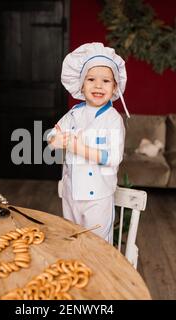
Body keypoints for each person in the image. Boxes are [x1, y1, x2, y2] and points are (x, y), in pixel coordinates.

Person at [47, 42, 130, 244]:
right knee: (72, 240)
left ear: (115, 87)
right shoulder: (74, 114)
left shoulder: (113, 119)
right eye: (91, 79)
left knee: (97, 244)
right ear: (81, 85)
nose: (98, 86)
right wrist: (54, 140)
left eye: (106, 81)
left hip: (98, 197)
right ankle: (76, 274)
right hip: (71, 193)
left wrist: (77, 147)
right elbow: (53, 135)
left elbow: (112, 157)